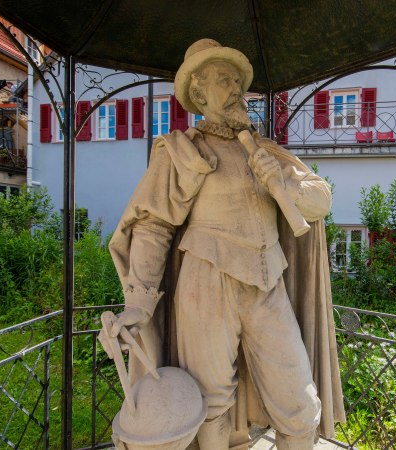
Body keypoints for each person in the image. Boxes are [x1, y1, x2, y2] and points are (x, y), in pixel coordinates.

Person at [105, 38, 344, 450]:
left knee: (299, 401)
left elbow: (320, 200)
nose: (235, 88)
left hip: (268, 284)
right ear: (199, 94)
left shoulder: (266, 149)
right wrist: (139, 302)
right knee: (210, 401)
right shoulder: (181, 152)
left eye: (237, 79)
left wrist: (282, 180)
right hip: (206, 283)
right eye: (221, 80)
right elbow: (153, 227)